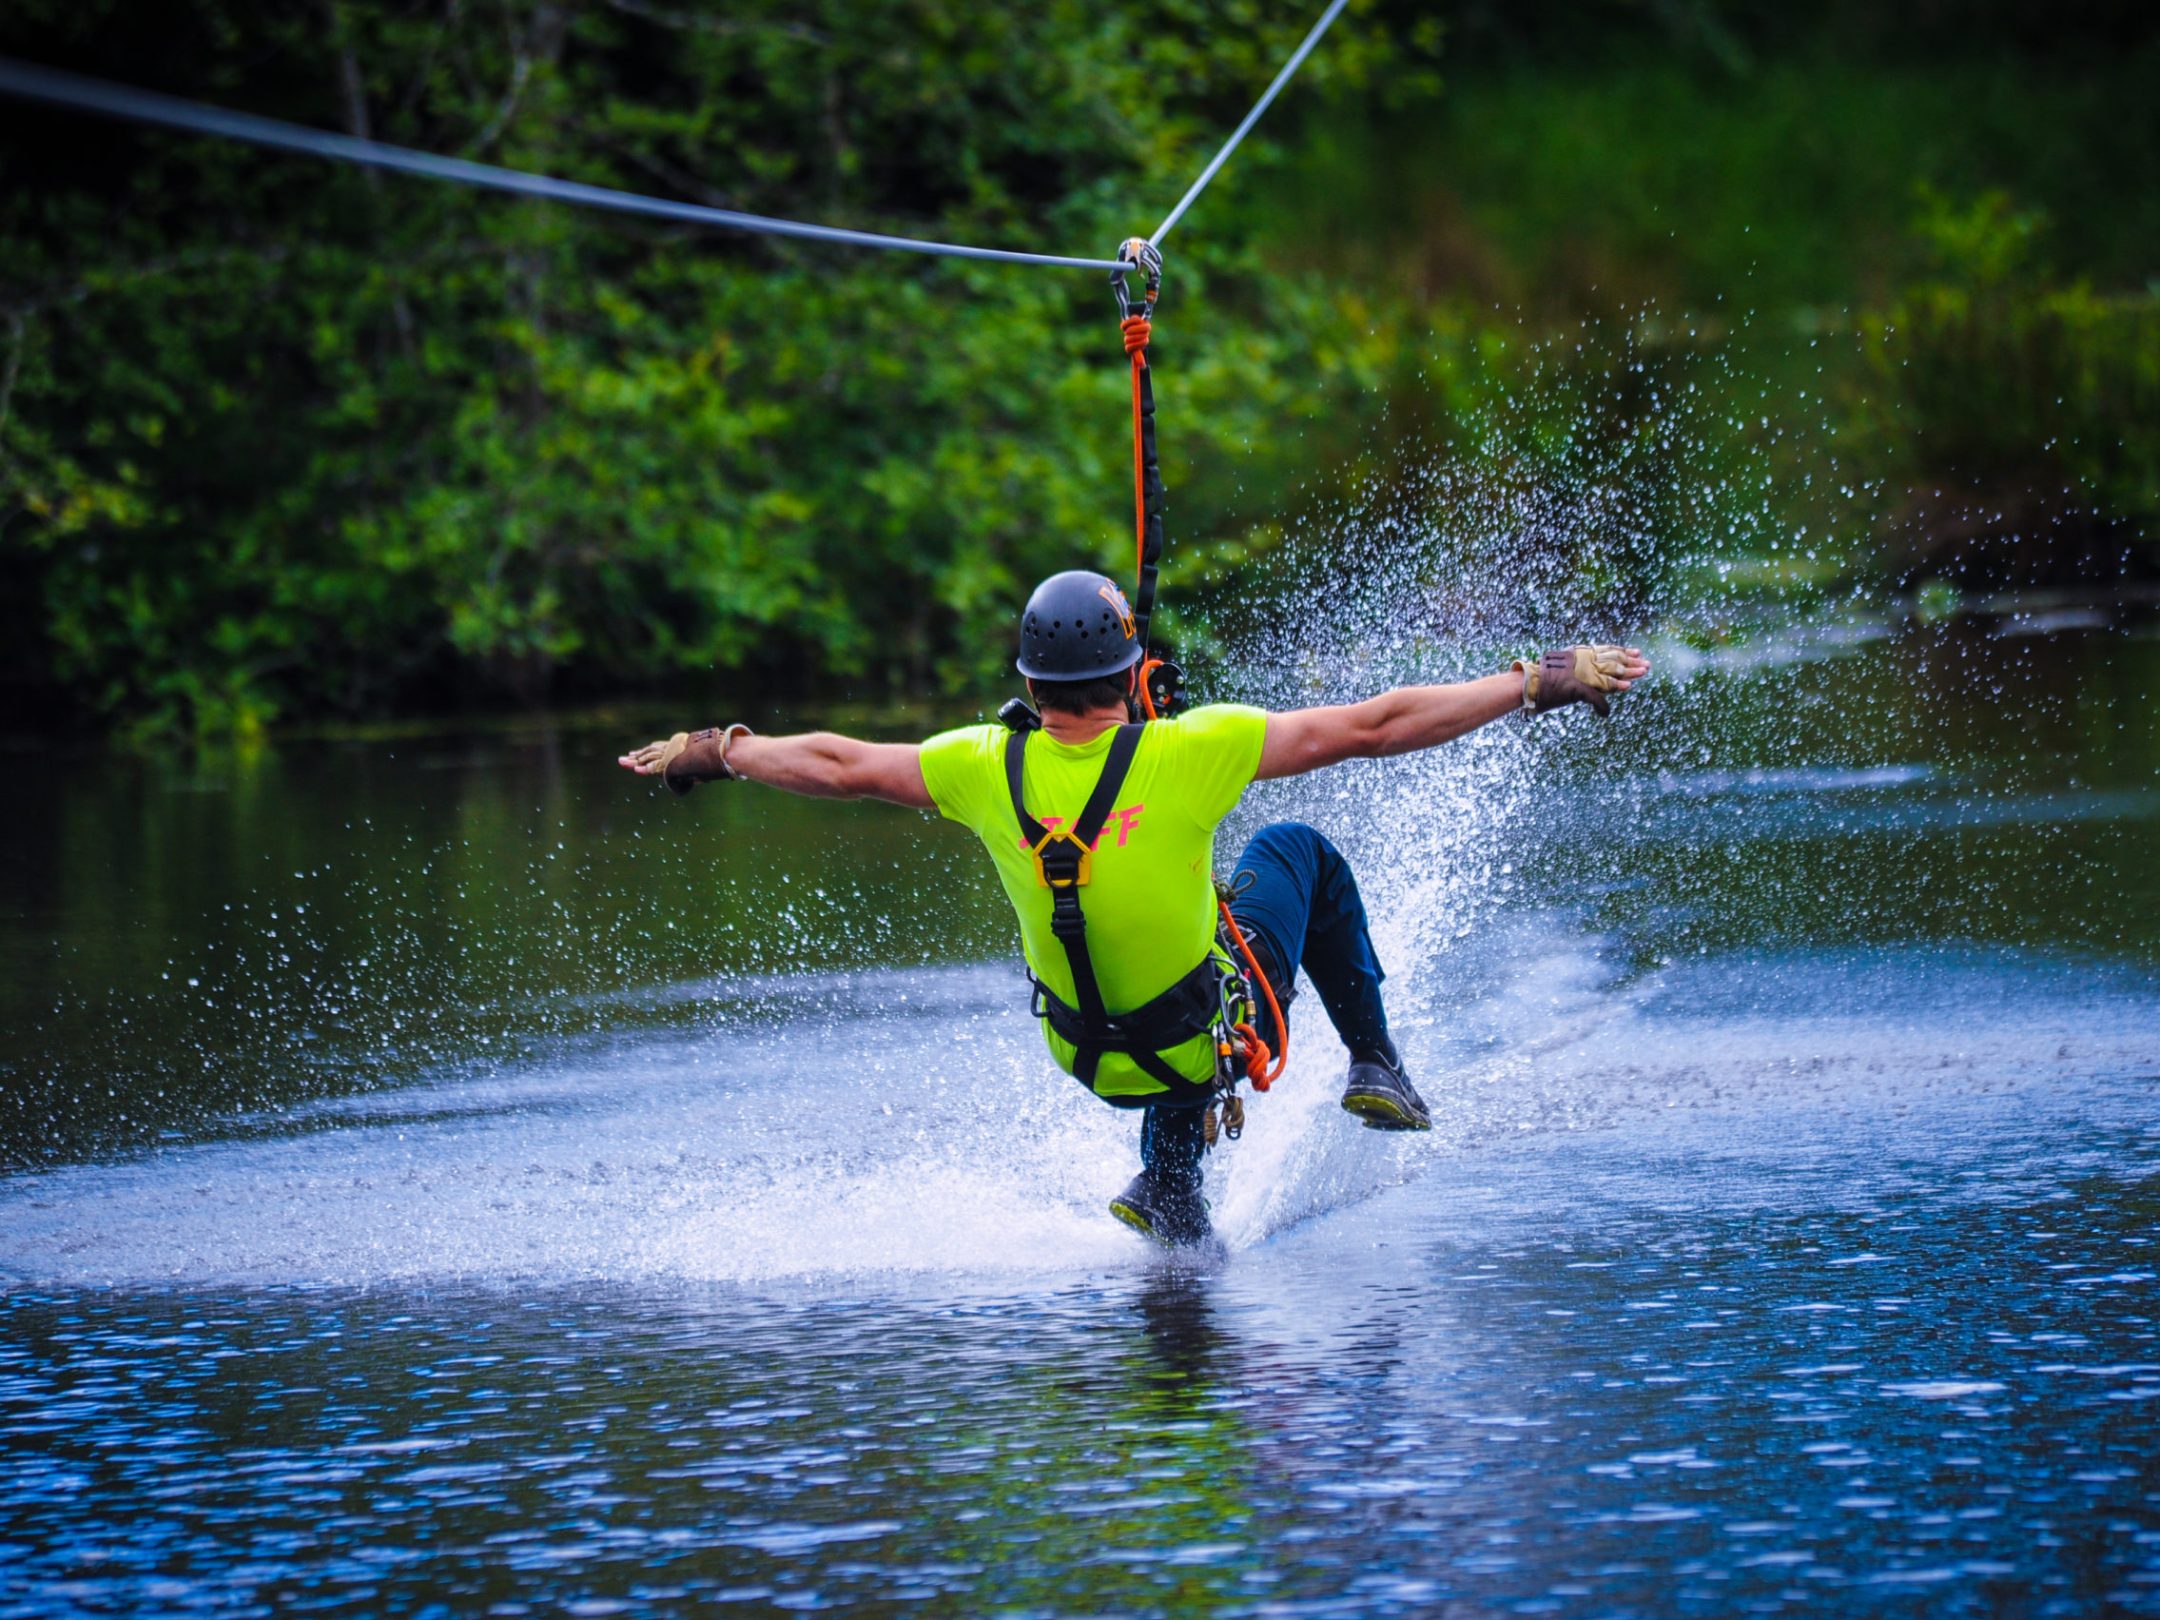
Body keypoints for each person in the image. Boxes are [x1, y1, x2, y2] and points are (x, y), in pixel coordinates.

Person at [621, 570, 1649, 1246]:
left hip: (1088, 1056)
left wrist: (718, 752)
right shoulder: (1187, 750)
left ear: (1027, 679)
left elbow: (840, 765)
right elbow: (1379, 726)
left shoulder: (981, 766)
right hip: (1193, 1040)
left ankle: (1170, 1185)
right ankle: (1377, 1064)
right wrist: (1534, 680)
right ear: (1132, 671)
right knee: (1295, 856)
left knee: (1168, 958)